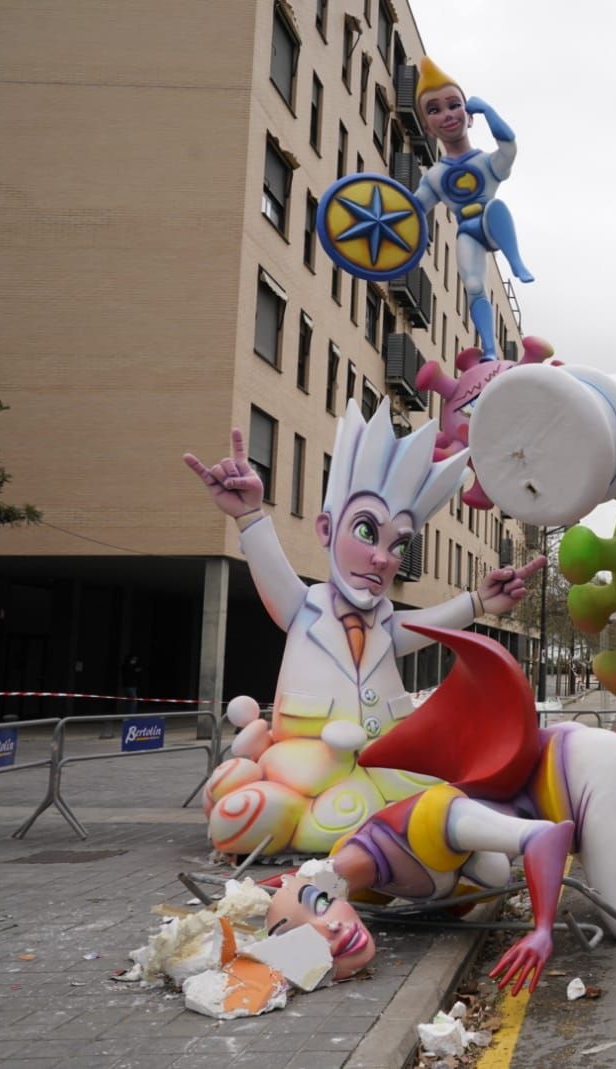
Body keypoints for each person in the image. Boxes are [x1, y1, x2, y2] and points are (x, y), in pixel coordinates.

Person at [263, 625, 616, 993]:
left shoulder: (422, 823)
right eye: (312, 936)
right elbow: (297, 900)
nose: (331, 933)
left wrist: (542, 928)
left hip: (585, 770)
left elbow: (548, 837)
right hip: (557, 779)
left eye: (317, 910)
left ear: (319, 887)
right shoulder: (354, 872)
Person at [183, 398, 545, 853]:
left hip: (386, 766)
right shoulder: (304, 608)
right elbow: (272, 571)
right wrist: (250, 516)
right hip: (306, 767)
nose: (381, 557)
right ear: (325, 528)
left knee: (428, 803)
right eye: (367, 532)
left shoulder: (386, 623)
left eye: (399, 544)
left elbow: (429, 625)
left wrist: (476, 601)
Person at [411, 56, 532, 364]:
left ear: (469, 115)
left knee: (496, 207)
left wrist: (490, 111)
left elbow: (509, 148)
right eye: (434, 110)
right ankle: (489, 349)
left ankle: (516, 261)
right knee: (474, 286)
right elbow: (414, 207)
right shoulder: (435, 176)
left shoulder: (486, 163)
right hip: (467, 231)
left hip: (492, 222)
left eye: (454, 105)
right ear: (427, 126)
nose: (447, 115)